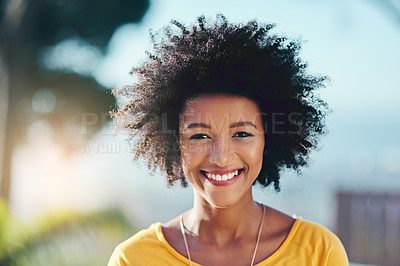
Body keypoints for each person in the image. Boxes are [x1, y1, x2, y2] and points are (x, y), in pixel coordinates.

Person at [108, 14, 349, 266]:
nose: (221, 157)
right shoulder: (133, 259)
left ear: (269, 140)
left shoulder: (318, 252)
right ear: (173, 142)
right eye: (199, 136)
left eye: (242, 134)